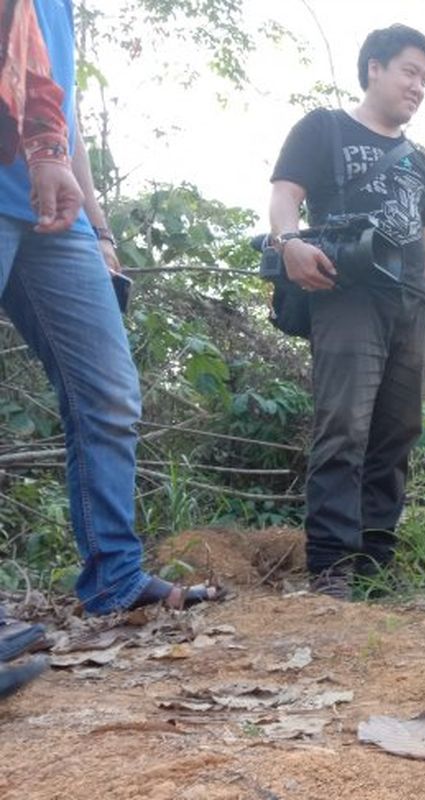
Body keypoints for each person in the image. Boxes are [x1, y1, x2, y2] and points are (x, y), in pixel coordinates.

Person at [0, 0, 224, 640]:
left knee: (108, 392)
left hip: (56, 208)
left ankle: (115, 579)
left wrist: (98, 228)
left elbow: (61, 108)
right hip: (21, 173)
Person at [268, 24, 425, 599]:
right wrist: (288, 242)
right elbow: (284, 195)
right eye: (409, 71)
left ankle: (376, 564)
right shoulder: (323, 128)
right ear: (373, 68)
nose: (419, 86)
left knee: (398, 432)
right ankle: (330, 570)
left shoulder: (419, 162)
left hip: (412, 308)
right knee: (344, 425)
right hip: (347, 295)